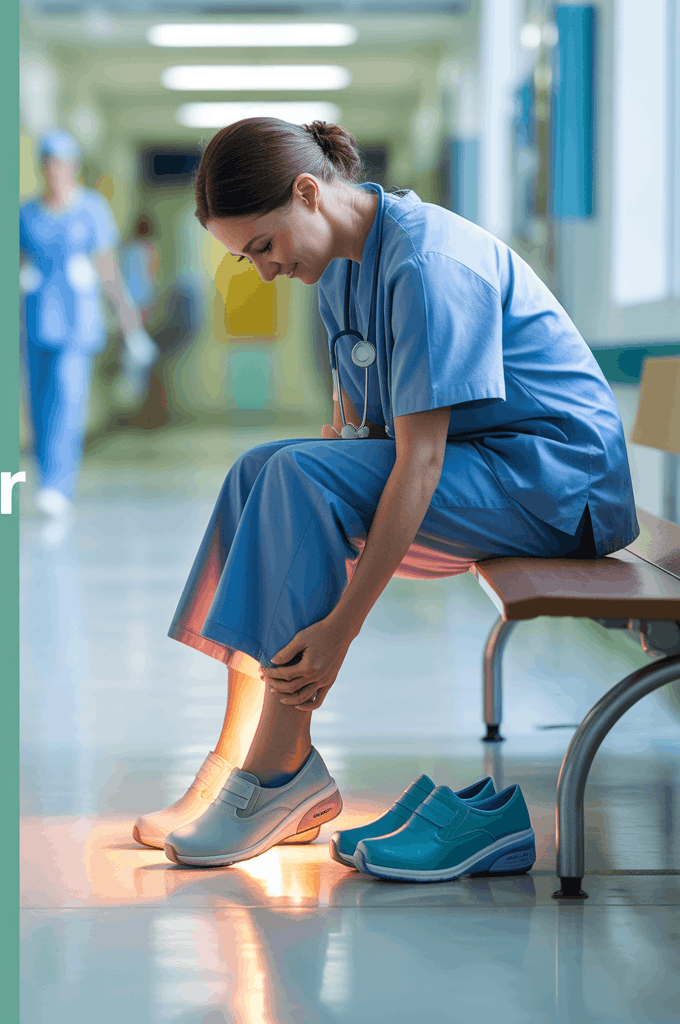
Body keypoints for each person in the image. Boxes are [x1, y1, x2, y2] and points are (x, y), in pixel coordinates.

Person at [132, 117, 638, 868]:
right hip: (482, 468)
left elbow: (419, 462)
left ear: (309, 193)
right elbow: (363, 428)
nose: (264, 272)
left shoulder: (428, 263)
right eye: (247, 258)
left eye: (264, 246)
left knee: (297, 476)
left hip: (558, 485)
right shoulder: (339, 265)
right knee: (258, 471)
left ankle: (279, 773)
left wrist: (340, 630)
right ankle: (236, 757)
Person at [20, 130, 157, 517]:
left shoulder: (91, 210)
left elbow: (109, 274)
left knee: (67, 401)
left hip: (76, 323)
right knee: (37, 405)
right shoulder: (26, 215)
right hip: (34, 319)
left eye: (62, 165)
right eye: (49, 165)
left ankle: (57, 486)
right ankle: (46, 479)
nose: (56, 172)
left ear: (74, 168)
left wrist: (131, 328)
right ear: (41, 169)